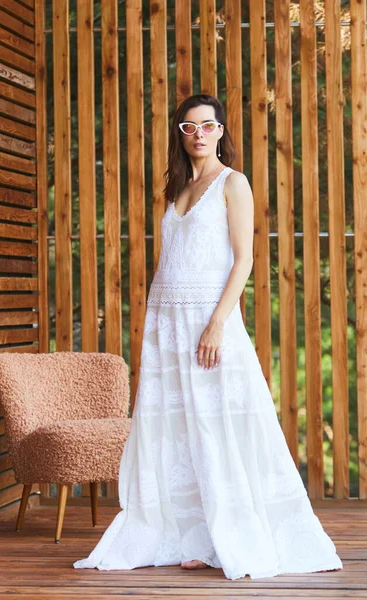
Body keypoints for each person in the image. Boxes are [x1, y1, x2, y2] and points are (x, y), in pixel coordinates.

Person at [73, 93, 343, 580]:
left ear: (221, 132)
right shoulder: (177, 188)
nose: (198, 134)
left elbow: (244, 260)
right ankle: (194, 535)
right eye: (189, 127)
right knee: (177, 428)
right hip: (166, 321)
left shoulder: (232, 184)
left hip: (208, 320)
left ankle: (234, 533)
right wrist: (155, 323)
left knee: (218, 425)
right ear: (180, 134)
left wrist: (218, 323)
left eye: (208, 126)